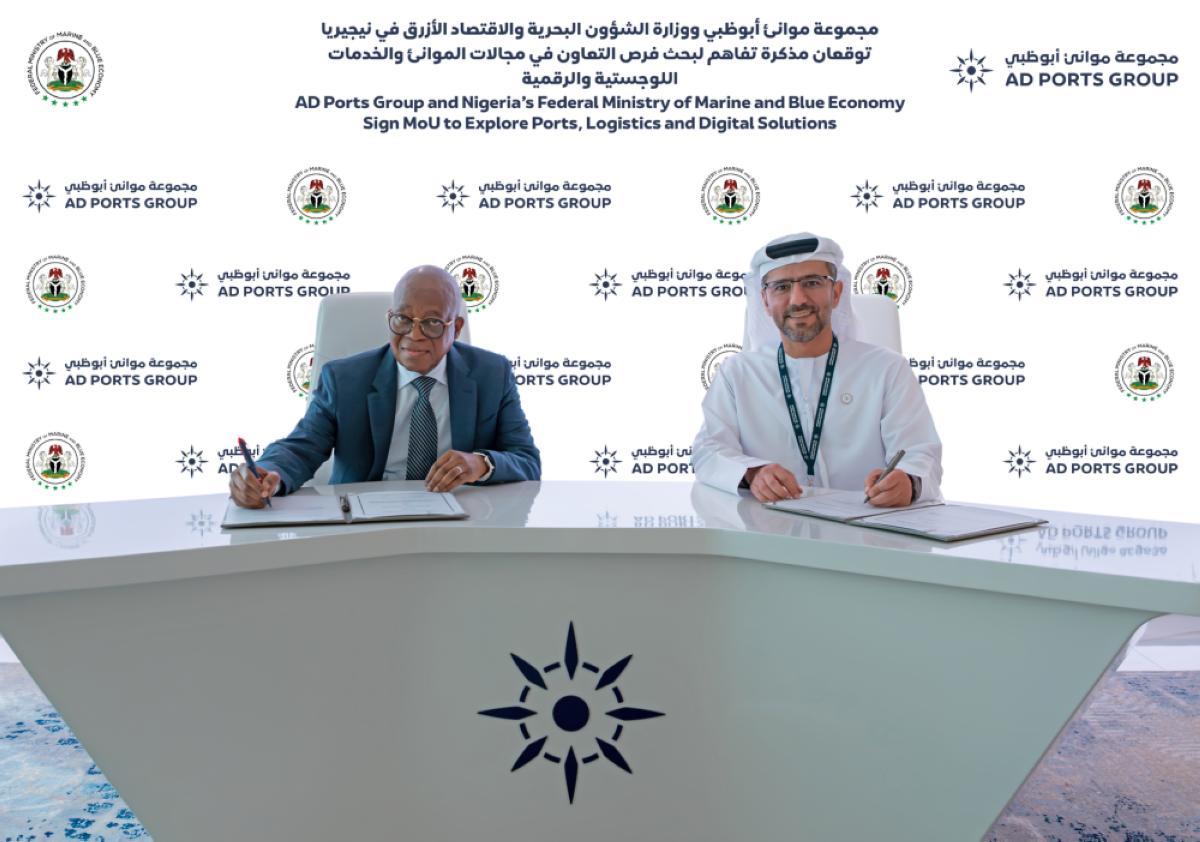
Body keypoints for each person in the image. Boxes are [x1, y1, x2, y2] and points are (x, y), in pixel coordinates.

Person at [230, 266, 540, 508]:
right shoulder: (344, 379)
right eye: (403, 318)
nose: (414, 335)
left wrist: (481, 463)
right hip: (366, 527)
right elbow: (302, 447)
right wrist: (266, 473)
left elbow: (526, 459)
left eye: (432, 322)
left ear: (455, 328)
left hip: (459, 520)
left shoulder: (491, 374)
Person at [692, 232, 942, 506]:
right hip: (772, 527)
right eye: (781, 287)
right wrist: (752, 472)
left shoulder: (887, 369)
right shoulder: (737, 374)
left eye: (812, 283)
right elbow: (708, 450)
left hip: (865, 524)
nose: (797, 299)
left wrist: (908, 482)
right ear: (765, 301)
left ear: (836, 293)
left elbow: (920, 455)